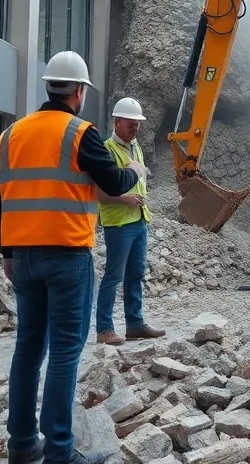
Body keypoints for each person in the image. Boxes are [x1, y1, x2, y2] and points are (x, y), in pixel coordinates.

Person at [0, 51, 143, 464]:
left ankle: (22, 445)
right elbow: (111, 181)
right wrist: (132, 169)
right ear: (79, 90)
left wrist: (6, 252)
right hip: (67, 254)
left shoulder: (10, 134)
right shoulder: (81, 132)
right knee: (63, 351)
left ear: (49, 86)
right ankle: (60, 452)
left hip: (22, 254)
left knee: (28, 347)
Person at [94, 97, 165, 346]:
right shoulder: (106, 150)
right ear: (117, 121)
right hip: (119, 223)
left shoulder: (136, 148)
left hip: (138, 220)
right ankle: (104, 328)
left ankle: (135, 324)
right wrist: (125, 199)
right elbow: (96, 191)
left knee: (135, 274)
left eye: (138, 123)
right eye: (131, 123)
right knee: (113, 276)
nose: (135, 127)